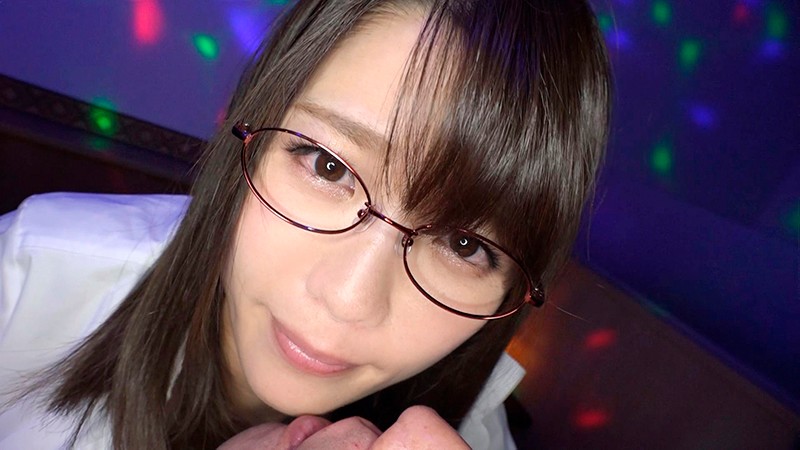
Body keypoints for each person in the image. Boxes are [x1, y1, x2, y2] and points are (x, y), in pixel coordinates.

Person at [0, 0, 610, 448]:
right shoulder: (28, 278)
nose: (348, 300)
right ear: (253, 122)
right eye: (327, 165)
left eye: (465, 244)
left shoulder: (469, 430)